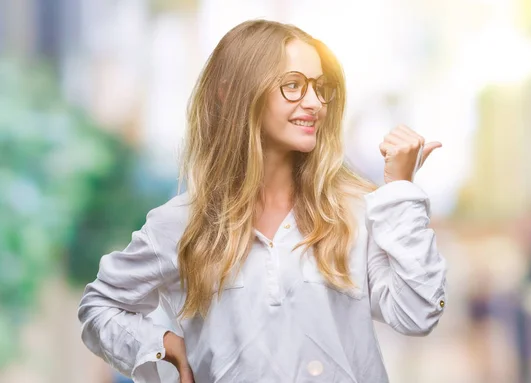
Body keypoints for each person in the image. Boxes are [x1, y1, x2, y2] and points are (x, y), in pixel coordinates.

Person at [78, 19, 447, 383]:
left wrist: (400, 189)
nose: (315, 103)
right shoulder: (182, 223)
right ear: (232, 92)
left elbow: (418, 313)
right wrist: (159, 344)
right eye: (293, 85)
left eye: (321, 88)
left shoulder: (353, 211)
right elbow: (100, 306)